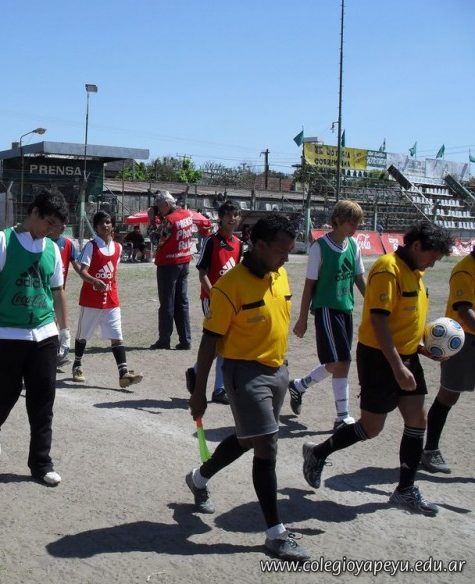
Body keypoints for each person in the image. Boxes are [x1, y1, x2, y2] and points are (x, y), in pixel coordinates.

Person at [301, 222, 454, 516]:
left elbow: (407, 320)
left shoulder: (415, 272)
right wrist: (396, 366)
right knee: (371, 428)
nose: (433, 263)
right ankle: (318, 452)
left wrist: (423, 349)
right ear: (417, 246)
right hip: (379, 358)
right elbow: (379, 321)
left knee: (417, 419)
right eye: (432, 256)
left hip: (407, 357)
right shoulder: (388, 269)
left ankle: (405, 490)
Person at [184, 214, 309, 561]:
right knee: (266, 444)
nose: (287, 257)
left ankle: (198, 478)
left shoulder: (280, 274)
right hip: (245, 374)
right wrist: (199, 392)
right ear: (260, 245)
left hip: (278, 370)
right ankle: (275, 534)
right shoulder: (229, 287)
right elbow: (209, 342)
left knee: (248, 438)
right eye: (282, 250)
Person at [0, 188, 70, 486]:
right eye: (49, 223)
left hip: (44, 333)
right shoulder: (1, 241)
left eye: (57, 226)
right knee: (5, 395)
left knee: (43, 400)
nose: (52, 231)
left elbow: (57, 292)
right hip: (7, 334)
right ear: (34, 213)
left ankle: (41, 463)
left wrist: (64, 331)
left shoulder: (52, 249)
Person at [290, 200, 367, 430]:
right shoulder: (320, 247)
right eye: (352, 223)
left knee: (337, 363)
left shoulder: (353, 245)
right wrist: (303, 319)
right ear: (338, 221)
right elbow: (309, 285)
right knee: (340, 362)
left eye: (358, 223)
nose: (355, 228)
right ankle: (342, 417)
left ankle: (299, 386)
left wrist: (375, 305)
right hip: (326, 308)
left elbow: (359, 278)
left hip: (346, 309)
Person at [71, 211, 143, 388]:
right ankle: (77, 364)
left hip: (111, 300)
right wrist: (94, 281)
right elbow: (82, 271)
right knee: (83, 335)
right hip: (91, 300)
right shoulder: (91, 246)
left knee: (117, 335)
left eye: (108, 222)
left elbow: (112, 273)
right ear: (96, 227)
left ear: (113, 225)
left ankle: (123, 373)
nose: (105, 225)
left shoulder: (118, 248)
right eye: (101, 223)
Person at [421, 248, 475, 474]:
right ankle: (430, 450)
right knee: (448, 395)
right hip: (463, 341)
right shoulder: (464, 270)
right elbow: (465, 312)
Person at [186, 200, 242, 405]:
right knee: (219, 341)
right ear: (221, 218)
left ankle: (205, 378)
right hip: (212, 300)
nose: (232, 218)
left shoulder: (239, 244)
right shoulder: (211, 242)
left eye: (235, 214)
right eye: (228, 215)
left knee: (225, 343)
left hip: (231, 303)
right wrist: (214, 295)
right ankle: (216, 387)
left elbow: (237, 275)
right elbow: (202, 273)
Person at [150, 190, 193, 350]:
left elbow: (156, 239)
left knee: (167, 303)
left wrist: (151, 220)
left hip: (169, 263)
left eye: (160, 207)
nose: (159, 211)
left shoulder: (169, 220)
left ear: (166, 204)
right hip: (184, 261)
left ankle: (164, 339)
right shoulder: (187, 214)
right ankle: (185, 339)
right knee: (182, 302)